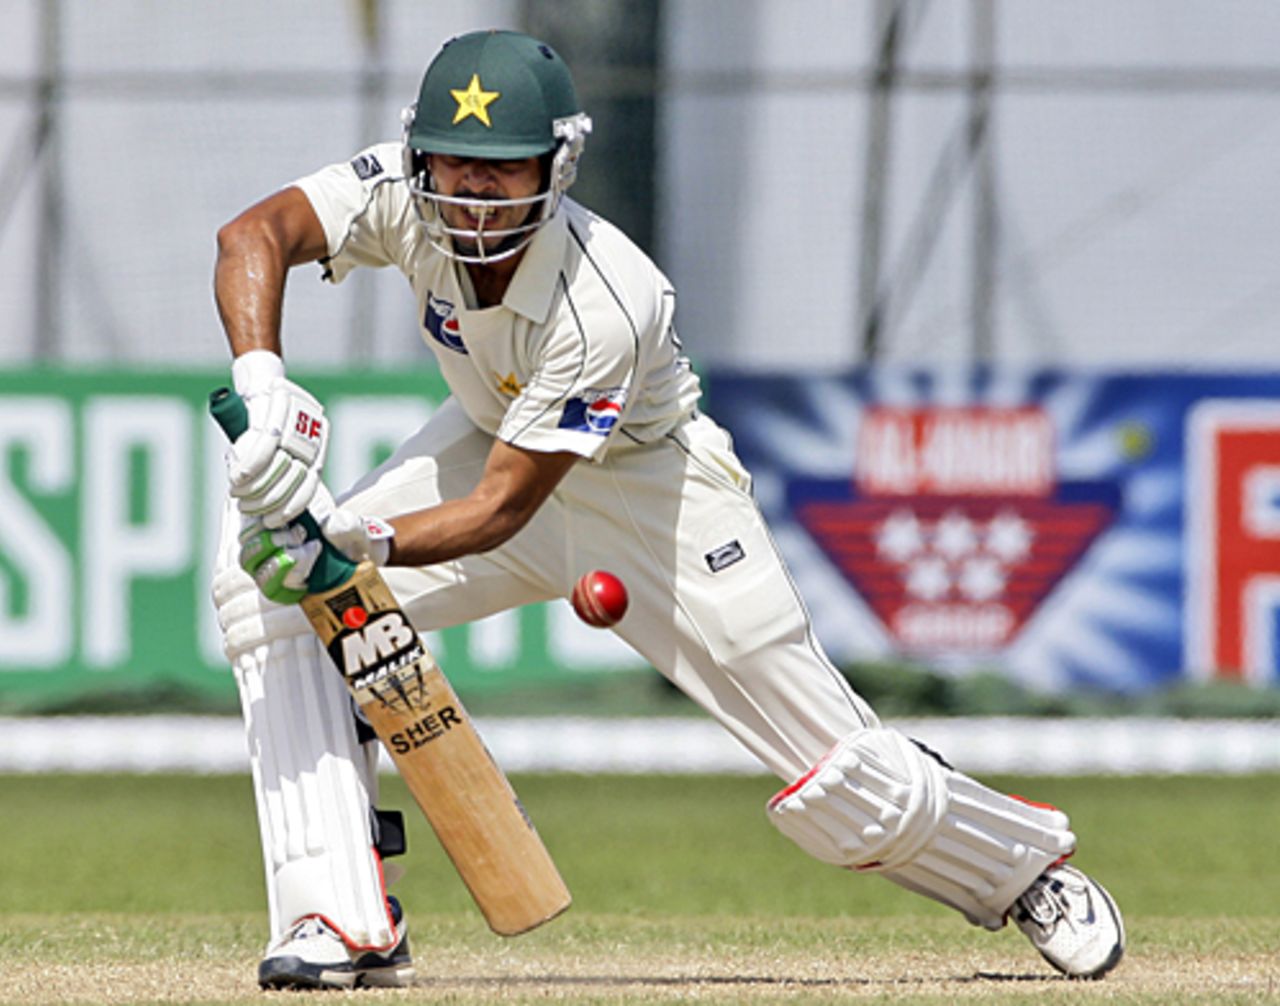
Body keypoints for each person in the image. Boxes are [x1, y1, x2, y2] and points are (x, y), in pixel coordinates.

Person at [211, 29, 1125, 990]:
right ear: (418, 154)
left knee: (848, 785)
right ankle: (339, 915)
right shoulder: (397, 196)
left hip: (654, 493)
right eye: (456, 165)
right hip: (491, 429)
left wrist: (360, 540)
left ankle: (1025, 873)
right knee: (262, 594)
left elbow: (502, 510)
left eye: (501, 170)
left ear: (554, 167)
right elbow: (253, 237)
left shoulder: (610, 296)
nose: (473, 195)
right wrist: (264, 383)